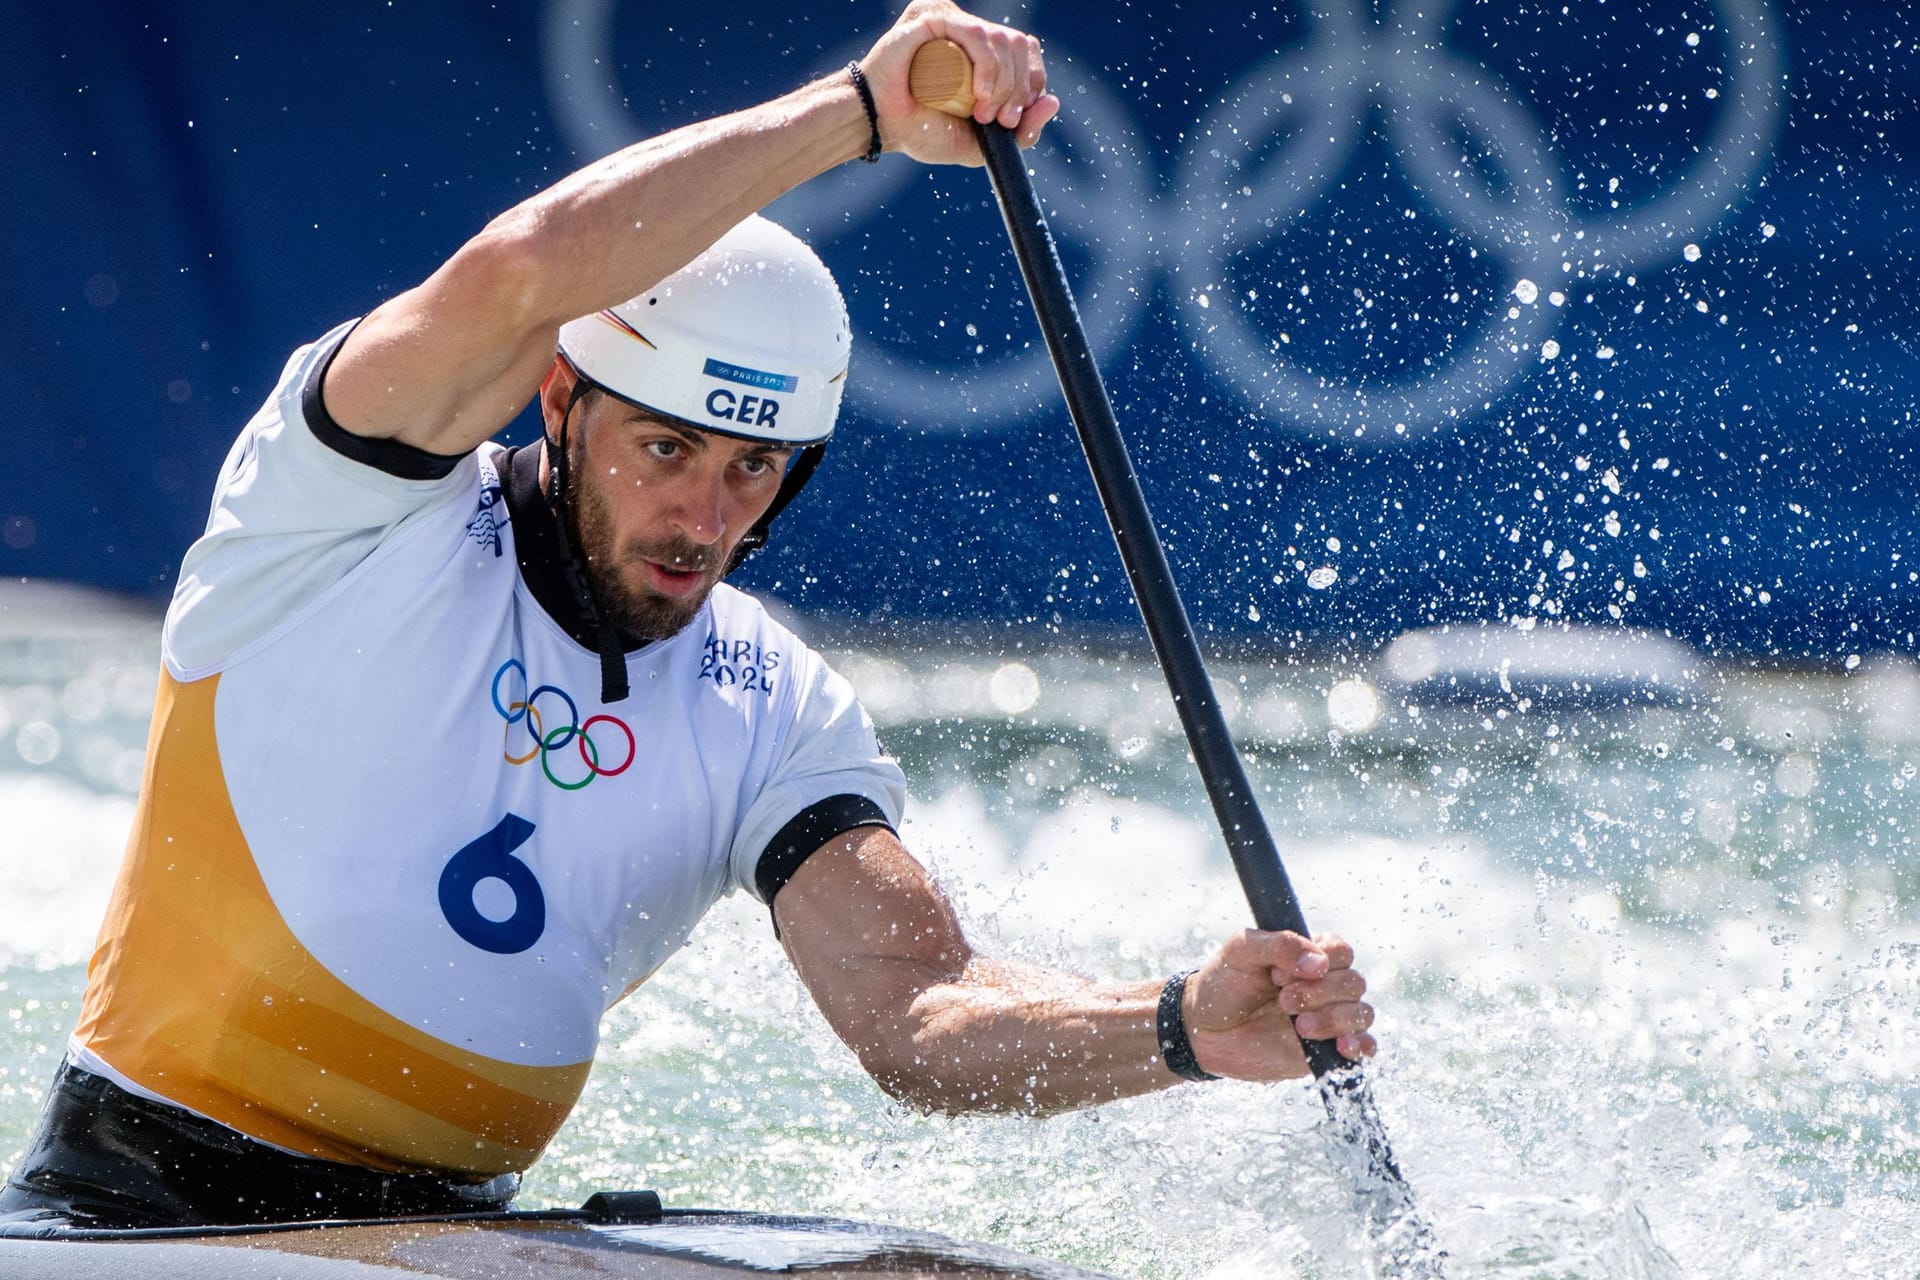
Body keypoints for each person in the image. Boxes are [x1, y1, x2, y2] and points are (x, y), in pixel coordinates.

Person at [0, 0, 1375, 1234]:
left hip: (460, 1238)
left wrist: (1182, 1026)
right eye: (666, 452)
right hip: (143, 1208)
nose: (705, 520)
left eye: (752, 469)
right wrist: (860, 115)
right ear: (560, 402)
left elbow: (918, 1016)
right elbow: (525, 267)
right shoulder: (343, 508)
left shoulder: (772, 707)